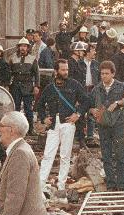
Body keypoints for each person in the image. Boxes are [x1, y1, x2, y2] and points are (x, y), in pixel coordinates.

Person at [36, 59, 90, 191]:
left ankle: (61, 185)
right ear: (56, 71)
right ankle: (40, 184)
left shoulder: (74, 85)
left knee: (65, 156)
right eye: (63, 70)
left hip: (68, 124)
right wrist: (44, 118)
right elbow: (40, 104)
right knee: (48, 154)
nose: (66, 72)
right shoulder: (49, 88)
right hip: (54, 125)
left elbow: (86, 101)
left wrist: (77, 115)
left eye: (67, 69)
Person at [90, 61, 124, 191]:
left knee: (120, 155)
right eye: (102, 73)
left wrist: (119, 103)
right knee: (106, 155)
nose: (104, 76)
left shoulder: (121, 87)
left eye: (107, 73)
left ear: (113, 74)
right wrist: (92, 111)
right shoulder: (96, 89)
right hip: (103, 126)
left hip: (118, 125)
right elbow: (88, 104)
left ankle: (121, 185)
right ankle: (111, 184)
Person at [8, 38, 39, 132]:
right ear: (18, 47)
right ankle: (15, 129)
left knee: (28, 109)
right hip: (16, 86)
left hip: (28, 86)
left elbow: (36, 73)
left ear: (28, 48)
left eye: (25, 46)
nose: (23, 48)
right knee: (15, 108)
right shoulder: (13, 58)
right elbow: (9, 72)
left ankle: (30, 129)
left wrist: (37, 86)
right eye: (21, 46)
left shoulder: (32, 59)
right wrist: (8, 85)